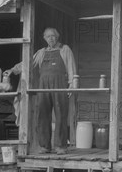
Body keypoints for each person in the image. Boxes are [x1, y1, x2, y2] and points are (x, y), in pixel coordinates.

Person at [4, 27, 76, 155]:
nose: (51, 38)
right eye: (48, 36)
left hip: (60, 85)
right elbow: (27, 62)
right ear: (45, 38)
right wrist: (13, 70)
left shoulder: (65, 49)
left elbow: (71, 68)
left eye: (53, 36)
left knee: (61, 115)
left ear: (57, 37)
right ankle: (45, 146)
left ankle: (61, 146)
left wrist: (72, 84)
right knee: (42, 115)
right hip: (43, 86)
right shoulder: (41, 52)